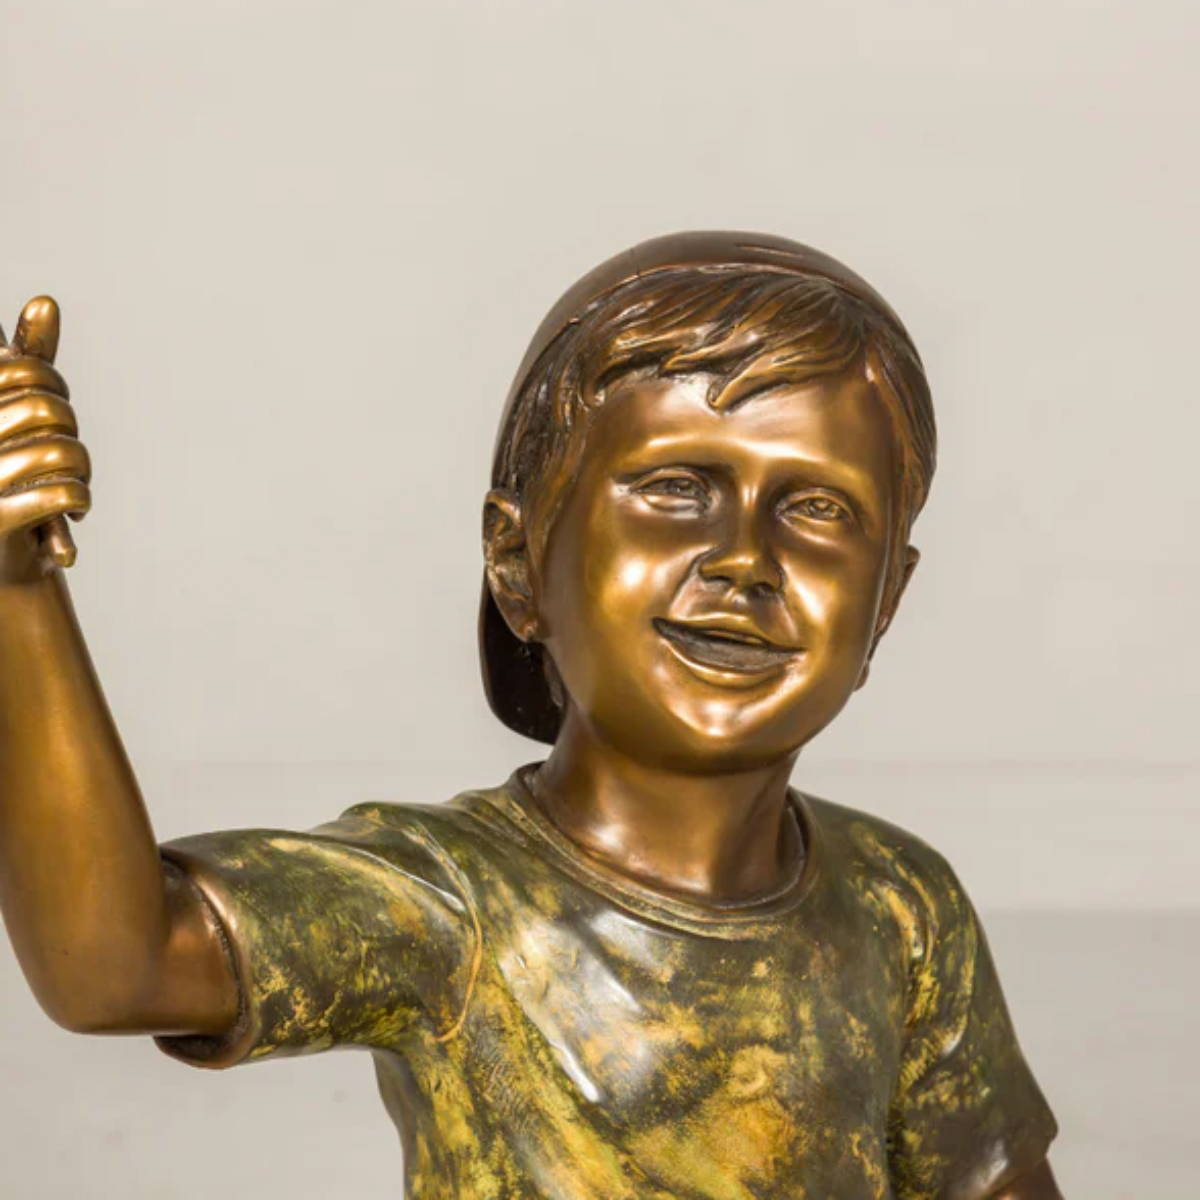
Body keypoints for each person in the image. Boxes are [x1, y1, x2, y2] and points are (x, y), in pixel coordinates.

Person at [0, 232, 1062, 1199]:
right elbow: (112, 963)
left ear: (888, 600)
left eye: (818, 508)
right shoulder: (449, 907)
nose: (746, 559)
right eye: (677, 487)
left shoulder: (901, 909)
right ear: (516, 563)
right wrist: (18, 589)